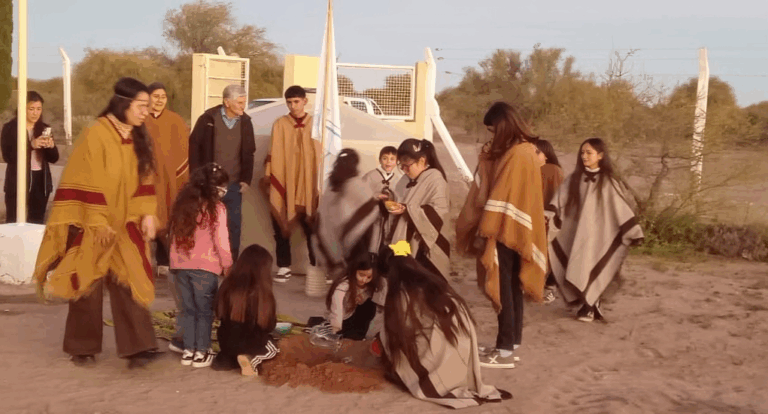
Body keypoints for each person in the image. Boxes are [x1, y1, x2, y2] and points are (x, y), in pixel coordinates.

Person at [33, 77, 161, 369]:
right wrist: (98, 220)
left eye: (148, 106)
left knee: (129, 279)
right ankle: (82, 347)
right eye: (141, 106)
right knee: (87, 283)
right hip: (94, 222)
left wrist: (148, 213)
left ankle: (138, 347)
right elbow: (83, 178)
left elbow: (146, 178)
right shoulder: (95, 133)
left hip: (127, 221)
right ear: (124, 104)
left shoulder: (140, 137)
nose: (145, 112)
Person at [456, 102, 548, 369]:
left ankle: (505, 349)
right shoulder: (524, 150)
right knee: (511, 285)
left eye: (493, 130)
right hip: (516, 228)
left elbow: (501, 194)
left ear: (504, 126)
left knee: (504, 286)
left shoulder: (518, 154)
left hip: (505, 228)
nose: (492, 136)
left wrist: (488, 229)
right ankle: (512, 342)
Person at [379, 240, 511, 409]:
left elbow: (398, 334)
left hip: (442, 353)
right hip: (462, 351)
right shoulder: (434, 281)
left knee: (386, 339)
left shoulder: (402, 294)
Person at [546, 138, 644, 322]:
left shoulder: (608, 182)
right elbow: (560, 199)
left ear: (600, 155)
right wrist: (551, 212)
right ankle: (584, 303)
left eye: (589, 152)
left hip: (599, 236)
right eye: (582, 152)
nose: (584, 156)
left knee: (590, 265)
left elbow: (620, 208)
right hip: (575, 234)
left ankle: (590, 305)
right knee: (574, 265)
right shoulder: (574, 179)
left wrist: (633, 231)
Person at [168, 163, 233, 368]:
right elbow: (221, 241)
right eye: (223, 188)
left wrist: (174, 262)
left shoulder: (182, 205)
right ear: (217, 189)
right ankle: (202, 352)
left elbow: (173, 236)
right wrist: (228, 265)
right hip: (205, 269)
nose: (225, 192)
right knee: (204, 311)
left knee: (187, 310)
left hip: (180, 267)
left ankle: (188, 351)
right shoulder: (217, 210)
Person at [189, 84, 256, 261]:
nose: (243, 106)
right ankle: (205, 261)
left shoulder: (246, 122)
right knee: (206, 223)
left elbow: (249, 152)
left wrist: (246, 180)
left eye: (244, 102)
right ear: (227, 102)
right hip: (209, 184)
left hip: (234, 185)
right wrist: (197, 179)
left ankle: (229, 263)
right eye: (239, 102)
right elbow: (194, 148)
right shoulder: (208, 119)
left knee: (233, 226)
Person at [262, 85, 321, 282]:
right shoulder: (280, 124)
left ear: (305, 101)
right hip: (286, 181)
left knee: (313, 228)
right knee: (280, 221)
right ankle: (284, 265)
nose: (293, 106)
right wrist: (271, 177)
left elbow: (321, 155)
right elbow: (274, 153)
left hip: (308, 183)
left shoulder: (317, 124)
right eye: (289, 102)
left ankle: (317, 265)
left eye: (296, 101)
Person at [312, 148, 382, 281]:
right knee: (355, 281)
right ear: (355, 164)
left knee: (342, 284)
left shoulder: (331, 184)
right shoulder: (357, 184)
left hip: (333, 241)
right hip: (356, 243)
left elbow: (323, 218)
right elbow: (371, 210)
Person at [386, 139, 450, 279]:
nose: (403, 169)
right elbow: (397, 200)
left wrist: (408, 210)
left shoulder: (435, 179)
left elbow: (440, 213)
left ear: (422, 160)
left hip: (424, 245)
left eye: (407, 165)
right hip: (402, 241)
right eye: (401, 166)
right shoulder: (404, 180)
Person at [212, 244, 279, 377]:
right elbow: (268, 325)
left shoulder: (226, 286)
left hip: (226, 343)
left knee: (232, 340)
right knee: (274, 348)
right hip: (251, 343)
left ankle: (227, 359)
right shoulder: (262, 293)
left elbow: (218, 313)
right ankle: (251, 358)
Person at [144, 82, 190, 274]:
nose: (160, 100)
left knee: (168, 214)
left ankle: (164, 260)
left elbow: (184, 150)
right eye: (156, 96)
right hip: (145, 178)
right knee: (146, 214)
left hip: (170, 178)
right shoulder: (140, 119)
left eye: (163, 97)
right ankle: (144, 260)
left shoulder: (176, 120)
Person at [1, 91, 59, 224]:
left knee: (36, 222)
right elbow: (8, 156)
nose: (35, 113)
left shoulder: (45, 128)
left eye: (39, 109)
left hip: (41, 182)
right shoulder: (10, 128)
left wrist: (50, 147)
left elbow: (54, 158)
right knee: (14, 221)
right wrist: (31, 145)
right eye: (31, 109)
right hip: (17, 181)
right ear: (22, 109)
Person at [325, 257, 385, 340]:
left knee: (370, 305)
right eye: (361, 275)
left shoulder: (369, 286)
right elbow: (337, 305)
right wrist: (336, 326)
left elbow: (368, 296)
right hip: (342, 318)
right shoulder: (345, 284)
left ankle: (359, 336)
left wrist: (362, 298)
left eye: (369, 277)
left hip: (353, 314)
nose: (364, 279)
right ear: (354, 270)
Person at [361, 146, 402, 261]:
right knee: (371, 243)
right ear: (379, 160)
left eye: (392, 159)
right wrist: (374, 197)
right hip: (372, 218)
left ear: (397, 162)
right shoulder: (370, 176)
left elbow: (402, 198)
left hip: (390, 218)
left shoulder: (399, 179)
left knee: (387, 244)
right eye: (385, 158)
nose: (388, 162)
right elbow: (360, 195)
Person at [535, 139, 564, 304]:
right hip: (542, 215)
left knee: (546, 253)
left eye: (537, 151)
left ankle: (549, 288)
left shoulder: (552, 170)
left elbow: (556, 197)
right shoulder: (545, 169)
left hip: (549, 216)